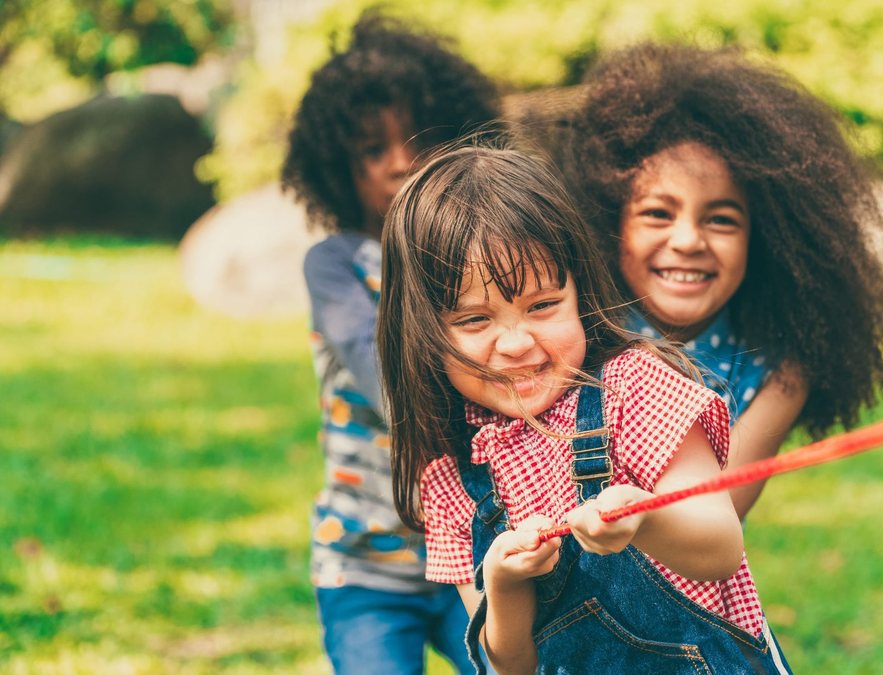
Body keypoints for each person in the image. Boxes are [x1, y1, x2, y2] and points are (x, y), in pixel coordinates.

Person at [376, 145, 792, 674]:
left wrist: (645, 520)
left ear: (579, 291)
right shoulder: (450, 478)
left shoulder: (633, 388)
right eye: (475, 320)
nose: (515, 343)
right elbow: (510, 666)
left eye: (543, 306)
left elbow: (720, 546)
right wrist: (503, 586)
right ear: (422, 334)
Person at [561, 44, 883, 518]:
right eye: (658, 213)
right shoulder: (574, 326)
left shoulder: (780, 372)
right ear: (610, 224)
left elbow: (717, 522)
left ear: (765, 242)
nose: (688, 240)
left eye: (720, 220)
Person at [280, 14, 499, 674]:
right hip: (368, 562)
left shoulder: (482, 257)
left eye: (416, 140)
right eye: (373, 150)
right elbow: (384, 380)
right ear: (336, 170)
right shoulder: (337, 264)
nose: (401, 161)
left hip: (484, 546)